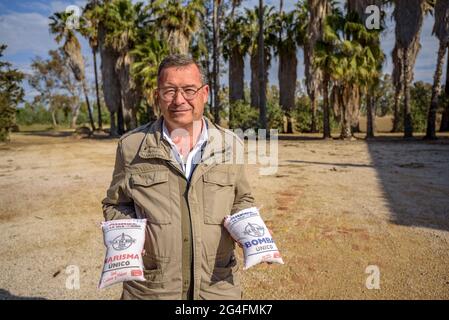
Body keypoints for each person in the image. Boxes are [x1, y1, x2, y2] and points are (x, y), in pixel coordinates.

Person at [102, 54, 255, 300]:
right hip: (152, 289)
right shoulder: (131, 147)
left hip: (216, 287)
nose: (179, 100)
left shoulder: (231, 145)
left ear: (205, 93)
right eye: (169, 91)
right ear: (157, 96)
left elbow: (242, 198)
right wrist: (129, 235)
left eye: (189, 90)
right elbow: (116, 203)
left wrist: (248, 231)